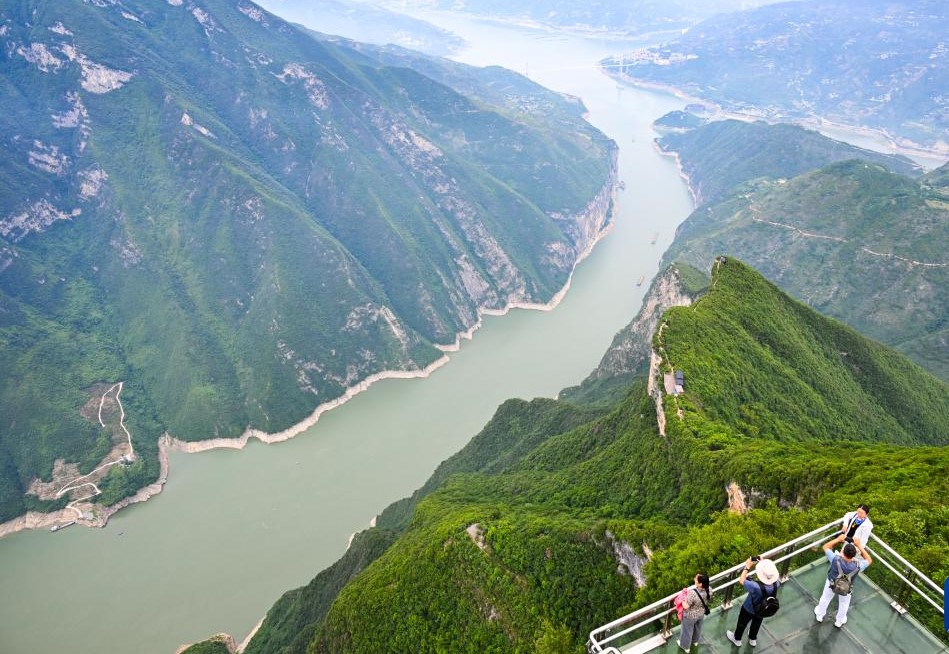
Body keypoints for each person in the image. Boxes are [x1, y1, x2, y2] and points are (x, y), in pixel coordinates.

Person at [814, 533, 872, 627]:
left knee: (825, 598)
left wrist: (838, 539)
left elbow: (825, 547)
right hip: (847, 587)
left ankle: (820, 615)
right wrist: (859, 545)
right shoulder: (858, 566)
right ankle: (839, 621)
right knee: (844, 603)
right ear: (855, 555)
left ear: (843, 552)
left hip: (831, 583)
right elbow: (869, 560)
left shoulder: (834, 559)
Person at [726, 557, 780, 648]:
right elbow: (769, 580)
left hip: (749, 608)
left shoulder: (755, 586)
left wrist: (747, 566)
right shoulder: (776, 583)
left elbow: (742, 580)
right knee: (757, 623)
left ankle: (737, 639)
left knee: (742, 623)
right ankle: (752, 639)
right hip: (763, 609)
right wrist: (763, 563)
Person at [678, 572, 711, 652]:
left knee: (687, 631)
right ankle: (695, 641)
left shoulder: (693, 593)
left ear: (700, 584)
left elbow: (686, 606)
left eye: (696, 579)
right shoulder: (709, 589)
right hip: (701, 613)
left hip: (690, 616)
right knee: (697, 628)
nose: (694, 579)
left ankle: (685, 647)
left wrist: (682, 599)